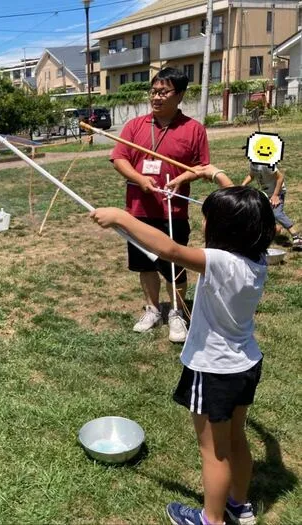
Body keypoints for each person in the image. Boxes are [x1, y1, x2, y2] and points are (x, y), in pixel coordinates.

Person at [91, 165, 275, 525]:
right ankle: (239, 504)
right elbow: (247, 204)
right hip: (245, 364)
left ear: (225, 228)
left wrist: (121, 217)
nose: (203, 224)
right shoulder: (256, 259)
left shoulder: (219, 262)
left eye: (208, 219)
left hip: (213, 369)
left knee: (214, 453)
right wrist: (218, 176)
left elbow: (170, 249)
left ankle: (211, 519)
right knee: (236, 440)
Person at [111, 67, 210, 343]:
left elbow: (202, 166)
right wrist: (139, 179)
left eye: (163, 92)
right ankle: (152, 308)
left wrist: (182, 178)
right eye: (153, 91)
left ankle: (177, 313)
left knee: (173, 263)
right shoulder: (134, 126)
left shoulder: (193, 129)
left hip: (172, 210)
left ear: (179, 95)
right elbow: (120, 159)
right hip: (139, 210)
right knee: (144, 263)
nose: (156, 97)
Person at [242, 161, 302, 250]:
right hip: (265, 193)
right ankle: (272, 232)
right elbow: (252, 175)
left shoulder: (267, 164)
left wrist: (275, 195)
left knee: (277, 213)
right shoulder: (253, 162)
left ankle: (297, 237)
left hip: (277, 193)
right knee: (262, 214)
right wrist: (242, 185)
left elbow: (280, 177)